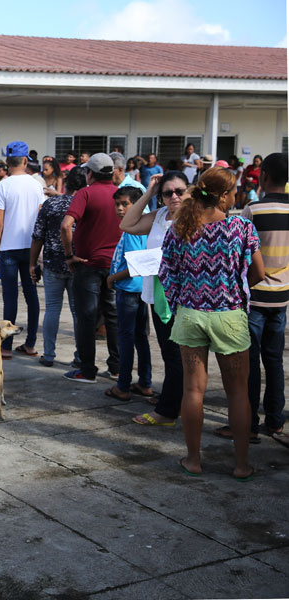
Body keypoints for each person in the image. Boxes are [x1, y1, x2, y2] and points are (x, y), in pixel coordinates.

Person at [159, 166, 263, 480]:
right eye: (233, 192)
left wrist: (183, 298)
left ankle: (193, 460)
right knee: (238, 393)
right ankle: (242, 465)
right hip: (229, 316)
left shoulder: (179, 227)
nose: (236, 196)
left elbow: (166, 274)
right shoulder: (242, 228)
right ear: (223, 196)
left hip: (190, 315)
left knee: (193, 390)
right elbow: (258, 273)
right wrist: (233, 286)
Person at [119, 171, 190, 426]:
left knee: (177, 355)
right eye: (168, 193)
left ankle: (168, 410)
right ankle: (175, 401)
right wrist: (148, 192)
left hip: (183, 298)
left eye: (179, 191)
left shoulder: (193, 218)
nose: (174, 197)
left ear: (189, 191)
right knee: (170, 353)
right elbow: (126, 224)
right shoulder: (160, 216)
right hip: (158, 296)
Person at [233, 152, 288, 449]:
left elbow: (243, 254)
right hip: (282, 299)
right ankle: (276, 421)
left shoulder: (253, 209)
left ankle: (249, 423)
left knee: (250, 364)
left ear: (262, 175)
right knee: (275, 361)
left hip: (255, 297)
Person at [61, 153, 121, 383]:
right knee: (113, 317)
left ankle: (87, 370)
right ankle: (116, 368)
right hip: (115, 265)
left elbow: (66, 225)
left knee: (86, 317)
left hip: (88, 264)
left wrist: (69, 256)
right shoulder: (120, 193)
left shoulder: (85, 193)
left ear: (90, 174)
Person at [0, 141, 44, 359]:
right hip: (31, 247)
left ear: (6, 161)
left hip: (9, 249)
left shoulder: (3, 185)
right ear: (25, 161)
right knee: (32, 295)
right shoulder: (36, 185)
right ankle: (30, 343)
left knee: (10, 297)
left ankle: (6, 347)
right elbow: (40, 219)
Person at [30, 167, 87, 367]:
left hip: (53, 262)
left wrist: (32, 263)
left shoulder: (51, 204)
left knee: (52, 308)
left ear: (67, 183)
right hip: (79, 263)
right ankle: (81, 356)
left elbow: (38, 236)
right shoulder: (86, 204)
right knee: (77, 311)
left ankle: (48, 354)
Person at [104, 186, 152, 401]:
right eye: (117, 204)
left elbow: (136, 264)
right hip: (140, 289)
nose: (120, 209)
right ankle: (144, 383)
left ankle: (122, 385)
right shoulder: (142, 226)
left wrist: (112, 278)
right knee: (140, 337)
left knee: (126, 338)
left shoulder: (132, 230)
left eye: (125, 204)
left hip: (129, 289)